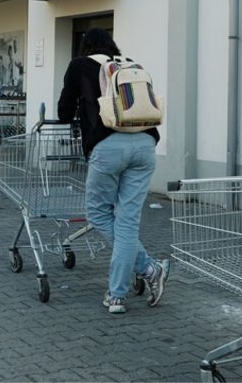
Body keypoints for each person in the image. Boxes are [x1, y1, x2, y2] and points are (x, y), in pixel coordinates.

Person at [57, 28, 170, 314]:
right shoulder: (126, 64)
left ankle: (147, 268)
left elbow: (64, 112)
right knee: (127, 221)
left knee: (98, 214)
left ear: (85, 45)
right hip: (145, 143)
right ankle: (116, 295)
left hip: (108, 147)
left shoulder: (79, 66)